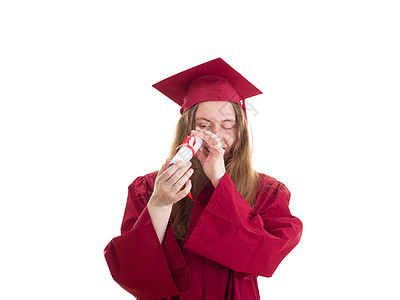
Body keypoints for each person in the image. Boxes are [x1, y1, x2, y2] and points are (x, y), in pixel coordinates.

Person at [103, 58, 303, 299]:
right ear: (188, 131)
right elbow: (132, 273)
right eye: (204, 125)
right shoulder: (148, 187)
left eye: (227, 125)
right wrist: (160, 203)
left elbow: (266, 254)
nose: (215, 136)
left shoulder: (268, 192)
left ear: (240, 132)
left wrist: (220, 179)